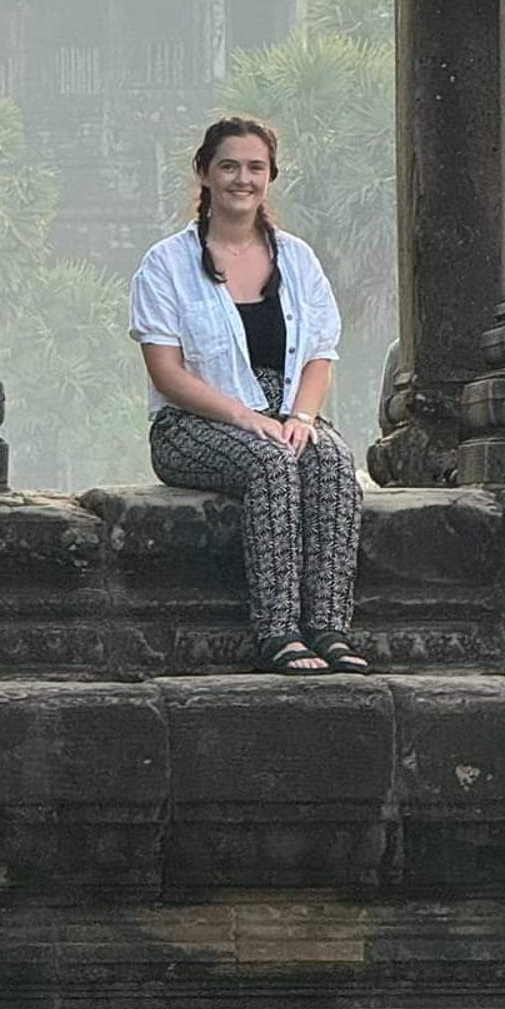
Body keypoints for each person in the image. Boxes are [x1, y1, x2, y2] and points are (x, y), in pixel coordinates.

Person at [130, 116, 367, 675]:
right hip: (193, 421)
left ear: (270, 177)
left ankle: (329, 627)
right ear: (204, 174)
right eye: (229, 166)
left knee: (332, 461)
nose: (243, 178)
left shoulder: (298, 259)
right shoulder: (167, 264)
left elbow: (319, 355)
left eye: (255, 168)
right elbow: (167, 374)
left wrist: (303, 417)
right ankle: (278, 630)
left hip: (283, 408)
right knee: (271, 464)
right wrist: (243, 417)